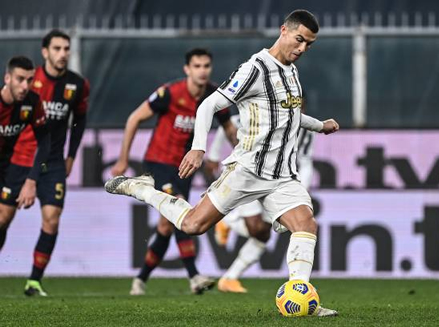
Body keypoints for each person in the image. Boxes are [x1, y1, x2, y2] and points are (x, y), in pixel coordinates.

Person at [105, 10, 339, 316]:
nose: (302, 49)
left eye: (309, 44)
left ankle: (302, 297)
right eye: (299, 40)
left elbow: (289, 113)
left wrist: (319, 125)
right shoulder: (255, 68)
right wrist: (199, 148)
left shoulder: (292, 72)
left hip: (282, 176)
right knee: (192, 225)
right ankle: (141, 188)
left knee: (306, 224)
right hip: (247, 170)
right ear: (284, 30)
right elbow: (208, 105)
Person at [110, 48, 237, 295]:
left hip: (184, 168)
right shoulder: (170, 94)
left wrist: (243, 154)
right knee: (180, 208)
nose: (202, 71)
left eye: (206, 66)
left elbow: (230, 129)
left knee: (167, 225)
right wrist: (123, 158)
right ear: (187, 69)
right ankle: (194, 276)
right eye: (197, 66)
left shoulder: (214, 97)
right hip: (158, 163)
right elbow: (134, 118)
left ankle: (140, 280)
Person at [13, 29, 90, 297]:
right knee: (3, 218)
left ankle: (34, 281)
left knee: (52, 219)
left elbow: (79, 123)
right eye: (57, 49)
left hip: (53, 161)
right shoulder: (29, 83)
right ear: (45, 52)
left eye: (66, 49)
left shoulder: (77, 85)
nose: (63, 54)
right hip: (19, 159)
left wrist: (71, 156)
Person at [205, 110, 315, 293]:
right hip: (247, 176)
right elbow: (229, 124)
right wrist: (214, 156)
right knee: (256, 227)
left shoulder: (304, 128)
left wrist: (302, 188)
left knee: (264, 233)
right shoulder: (258, 114)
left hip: (278, 181)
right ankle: (228, 221)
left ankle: (229, 278)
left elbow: (305, 160)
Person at [0, 56, 50, 274]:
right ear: (7, 78)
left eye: (29, 80)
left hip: (7, 165)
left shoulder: (32, 102)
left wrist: (31, 180)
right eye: (20, 79)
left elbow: (45, 141)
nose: (24, 86)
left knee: (4, 218)